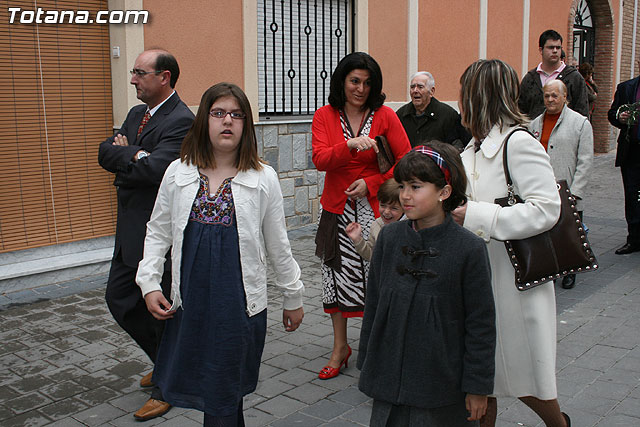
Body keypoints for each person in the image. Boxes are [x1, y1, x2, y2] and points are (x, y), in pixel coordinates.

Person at [135, 82, 305, 426]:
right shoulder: (177, 172)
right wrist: (150, 283)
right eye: (218, 113)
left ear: (245, 125)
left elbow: (278, 244)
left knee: (224, 392)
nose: (227, 121)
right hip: (190, 305)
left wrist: (293, 295)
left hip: (237, 309)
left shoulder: (262, 178)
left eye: (236, 115)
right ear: (204, 120)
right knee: (216, 394)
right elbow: (158, 231)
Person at [454, 59, 571, 427]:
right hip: (476, 280)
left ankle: (559, 424)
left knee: (523, 378)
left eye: (464, 93)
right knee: (480, 377)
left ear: (479, 97)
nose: (459, 102)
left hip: (514, 283)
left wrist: (479, 216)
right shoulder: (468, 152)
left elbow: (547, 209)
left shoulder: (518, 143)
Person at [357, 143, 496, 427]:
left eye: (416, 187)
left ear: (444, 192)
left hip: (441, 384)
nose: (405, 196)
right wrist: (367, 361)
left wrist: (478, 386)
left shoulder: (468, 248)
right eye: (402, 185)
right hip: (389, 377)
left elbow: (481, 323)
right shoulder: (390, 238)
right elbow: (374, 303)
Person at [98, 49, 195, 420]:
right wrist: (135, 156)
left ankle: (168, 385)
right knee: (120, 299)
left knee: (161, 312)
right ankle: (167, 361)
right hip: (129, 232)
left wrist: (131, 156)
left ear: (164, 77)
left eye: (140, 73)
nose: (133, 79)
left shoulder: (182, 120)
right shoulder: (137, 113)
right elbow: (105, 152)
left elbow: (158, 170)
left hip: (158, 236)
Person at [312, 52, 411, 380]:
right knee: (335, 279)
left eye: (368, 83)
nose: (361, 88)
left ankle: (380, 345)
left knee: (380, 277)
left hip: (378, 211)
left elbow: (406, 161)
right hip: (336, 210)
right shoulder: (325, 115)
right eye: (355, 81)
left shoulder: (385, 116)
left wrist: (370, 181)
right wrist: (351, 146)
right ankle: (340, 347)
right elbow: (320, 159)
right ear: (342, 81)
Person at [530, 80, 594, 289]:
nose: (550, 99)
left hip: (568, 189)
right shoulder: (534, 124)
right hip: (542, 188)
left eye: (555, 95)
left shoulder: (580, 123)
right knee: (546, 232)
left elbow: (585, 161)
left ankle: (571, 271)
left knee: (570, 235)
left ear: (565, 97)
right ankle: (551, 269)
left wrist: (576, 192)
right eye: (547, 95)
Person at [519, 29, 589, 120]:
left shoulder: (574, 78)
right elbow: (521, 112)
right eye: (551, 47)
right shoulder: (530, 79)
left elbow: (582, 113)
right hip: (533, 132)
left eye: (558, 47)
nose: (555, 51)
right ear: (541, 50)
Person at [608, 60, 640, 255]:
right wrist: (619, 118)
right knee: (633, 195)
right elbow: (612, 113)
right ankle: (634, 239)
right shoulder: (627, 88)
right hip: (632, 151)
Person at [396, 71, 470, 150]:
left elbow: (457, 145)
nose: (415, 90)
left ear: (432, 91)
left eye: (420, 87)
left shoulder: (448, 115)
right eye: (412, 87)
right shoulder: (401, 115)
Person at [345, 178, 404, 261]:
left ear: (405, 207)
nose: (386, 212)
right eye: (383, 205)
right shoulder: (376, 225)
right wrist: (357, 239)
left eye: (394, 208)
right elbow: (372, 256)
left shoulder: (412, 225)